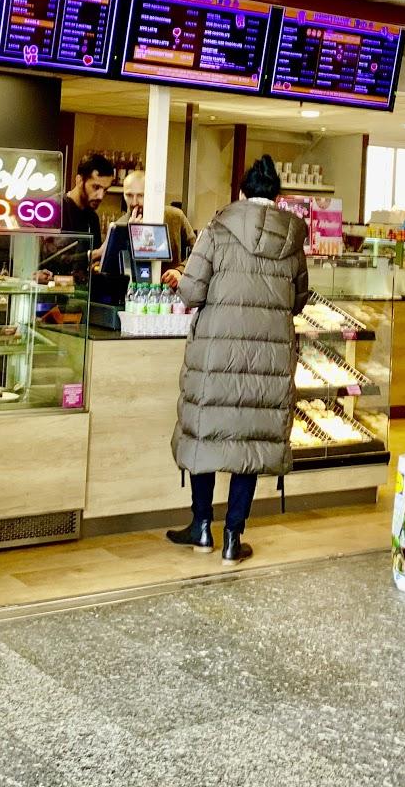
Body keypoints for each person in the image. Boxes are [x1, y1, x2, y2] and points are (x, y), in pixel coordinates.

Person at [166, 155, 309, 563]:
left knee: (206, 434)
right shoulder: (292, 239)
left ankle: (200, 527)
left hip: (217, 353)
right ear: (277, 197)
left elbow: (191, 293)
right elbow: (298, 300)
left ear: (242, 192)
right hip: (268, 358)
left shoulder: (217, 229)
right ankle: (232, 536)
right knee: (249, 442)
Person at [120, 171, 195, 261]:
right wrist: (131, 235)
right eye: (129, 195)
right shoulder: (120, 225)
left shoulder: (175, 217)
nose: (134, 202)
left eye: (141, 195)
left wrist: (180, 270)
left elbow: (197, 253)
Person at [61, 153, 114, 265]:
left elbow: (93, 264)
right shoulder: (55, 209)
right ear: (79, 181)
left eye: (105, 190)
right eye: (96, 187)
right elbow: (50, 260)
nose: (101, 196)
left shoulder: (93, 217)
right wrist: (95, 254)